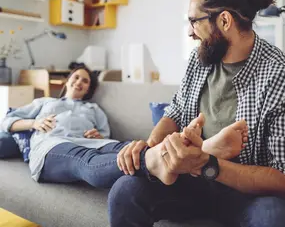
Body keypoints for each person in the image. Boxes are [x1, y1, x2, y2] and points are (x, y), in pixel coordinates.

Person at [111, 0, 285, 227]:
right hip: (190, 183)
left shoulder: (277, 72)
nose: (190, 32)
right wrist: (154, 150)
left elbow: (281, 177)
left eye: (194, 21)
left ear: (224, 21)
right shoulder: (200, 59)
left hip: (245, 193)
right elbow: (177, 111)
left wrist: (207, 163)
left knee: (272, 216)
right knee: (125, 191)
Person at [1, 66, 247, 189]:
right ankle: (174, 158)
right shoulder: (45, 102)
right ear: (68, 81)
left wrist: (97, 134)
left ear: (89, 89)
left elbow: (106, 135)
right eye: (76, 77)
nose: (79, 82)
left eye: (85, 81)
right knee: (85, 161)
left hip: (96, 143)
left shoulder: (93, 110)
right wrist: (34, 123)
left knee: (126, 148)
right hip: (54, 145)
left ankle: (194, 155)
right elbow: (8, 121)